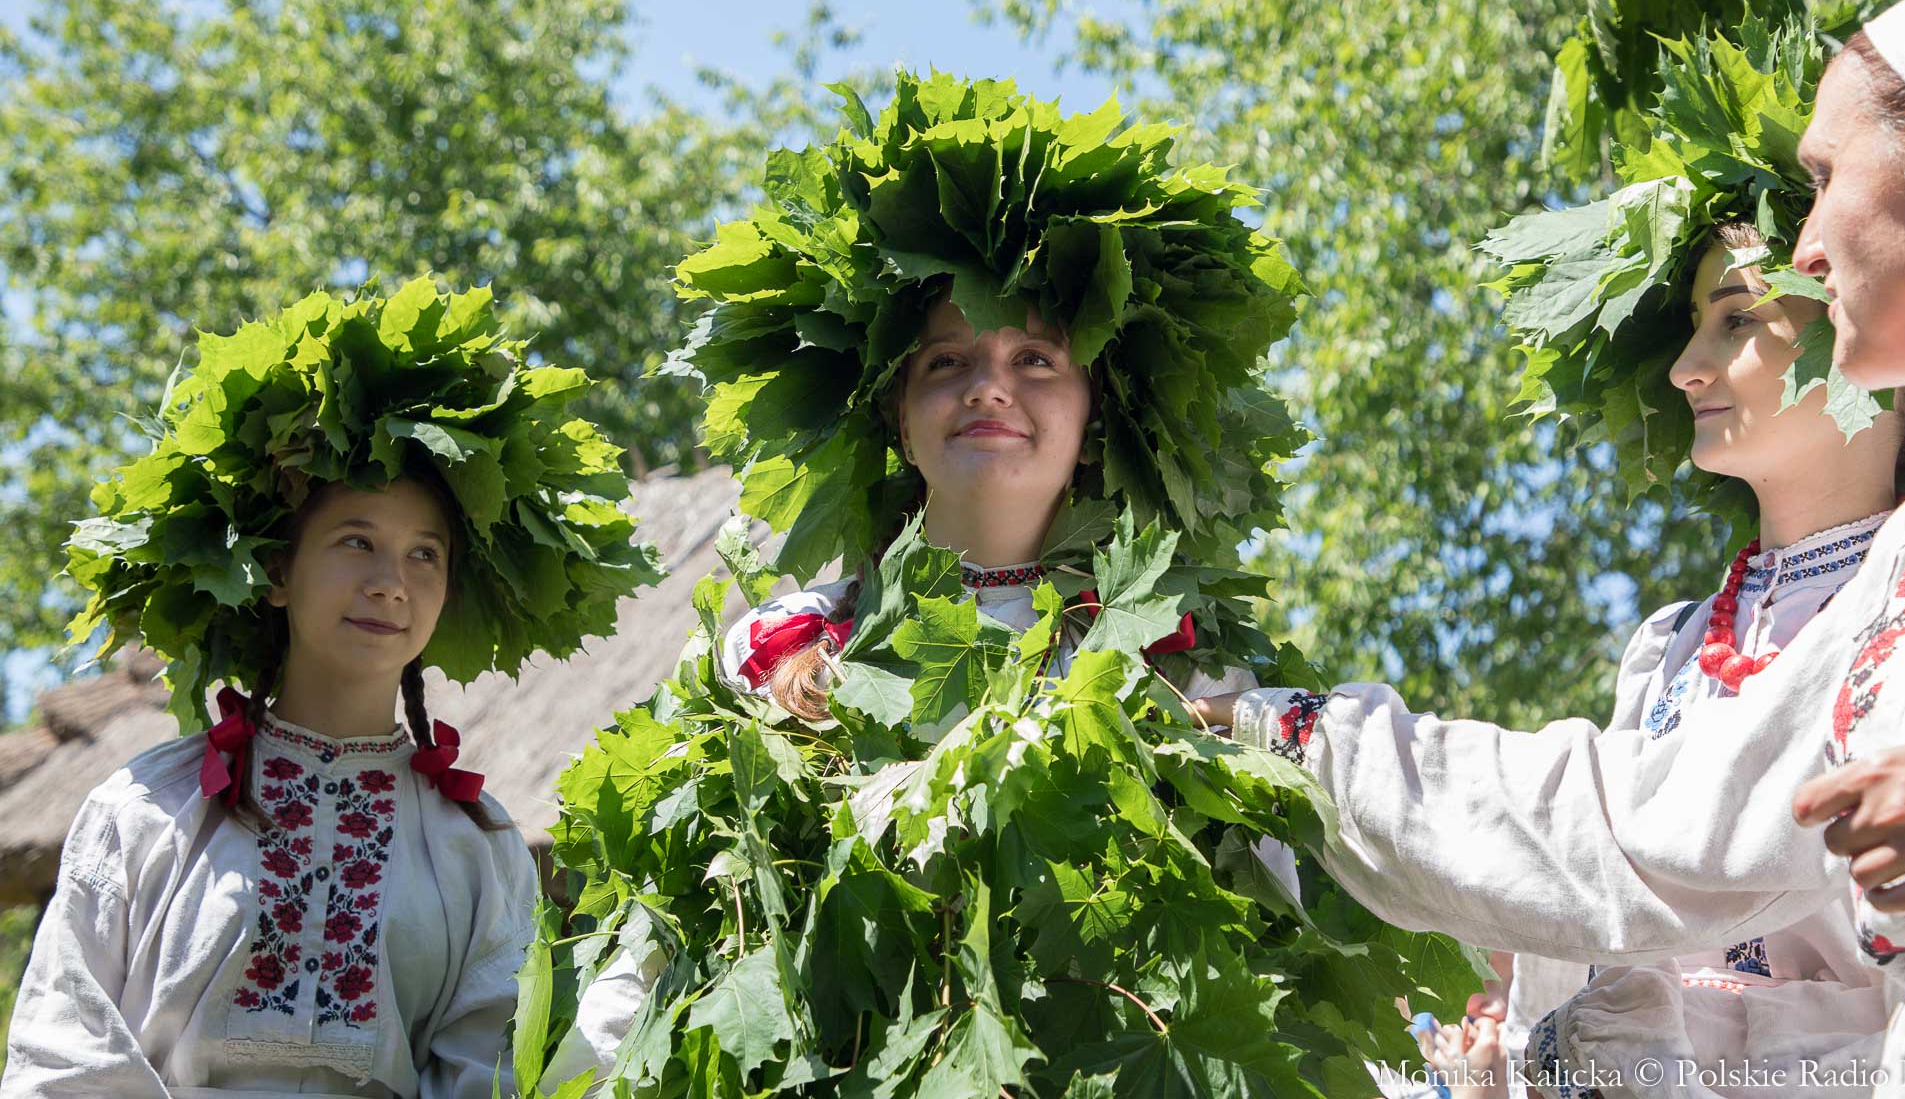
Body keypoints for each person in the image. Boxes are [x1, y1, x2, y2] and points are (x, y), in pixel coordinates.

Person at [1194, 9, 1905, 1097]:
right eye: (1691, 328)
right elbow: (1588, 930)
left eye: (1735, 319)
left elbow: (1647, 857)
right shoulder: (1671, 648)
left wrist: (1305, 739)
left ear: (1857, 312)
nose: (1685, 368)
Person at [535, 71, 1312, 1093]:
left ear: (1095, 419)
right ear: (896, 418)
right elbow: (652, 961)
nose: (990, 385)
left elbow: (1267, 951)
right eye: (947, 362)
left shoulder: (1182, 664)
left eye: (1036, 358)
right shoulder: (776, 655)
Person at [1, 281, 662, 1097]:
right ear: (278, 573)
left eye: (425, 554)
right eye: (357, 541)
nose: (391, 582)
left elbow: (485, 1075)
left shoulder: (476, 849)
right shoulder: (144, 811)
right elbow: (63, 1056)